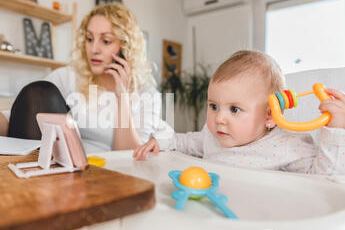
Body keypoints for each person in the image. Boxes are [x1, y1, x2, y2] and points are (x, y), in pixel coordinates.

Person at [0, 3, 163, 153]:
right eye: (89, 38)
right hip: (55, 165)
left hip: (106, 175)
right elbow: (15, 118)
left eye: (106, 41)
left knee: (42, 92)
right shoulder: (69, 77)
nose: (94, 49)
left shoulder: (147, 94)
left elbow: (128, 155)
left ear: (126, 47)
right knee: (39, 91)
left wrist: (122, 97)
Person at [133, 50, 345, 176]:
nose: (219, 118)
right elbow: (187, 142)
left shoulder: (290, 147)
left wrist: (334, 132)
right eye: (213, 106)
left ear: (270, 116)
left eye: (234, 109)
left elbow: (323, 180)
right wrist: (162, 142)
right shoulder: (212, 136)